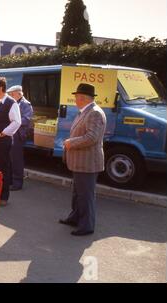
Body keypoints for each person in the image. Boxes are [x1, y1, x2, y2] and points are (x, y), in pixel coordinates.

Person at [59, 83, 107, 236]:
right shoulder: (85, 112)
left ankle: (86, 226)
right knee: (78, 193)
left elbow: (91, 137)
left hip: (87, 162)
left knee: (86, 195)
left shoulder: (94, 113)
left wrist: (70, 143)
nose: (75, 100)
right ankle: (75, 218)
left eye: (77, 97)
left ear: (83, 98)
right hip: (80, 161)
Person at [0, 78, 21, 207]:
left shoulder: (11, 102)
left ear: (1, 88)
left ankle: (3, 196)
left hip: (3, 140)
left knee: (3, 168)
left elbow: (17, 122)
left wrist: (4, 132)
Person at [7, 85, 34, 191]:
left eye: (12, 94)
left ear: (19, 93)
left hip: (18, 134)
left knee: (17, 160)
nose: (11, 96)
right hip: (12, 133)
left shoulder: (25, 104)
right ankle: (11, 181)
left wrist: (13, 121)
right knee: (10, 159)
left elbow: (26, 120)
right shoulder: (15, 103)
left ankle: (17, 183)